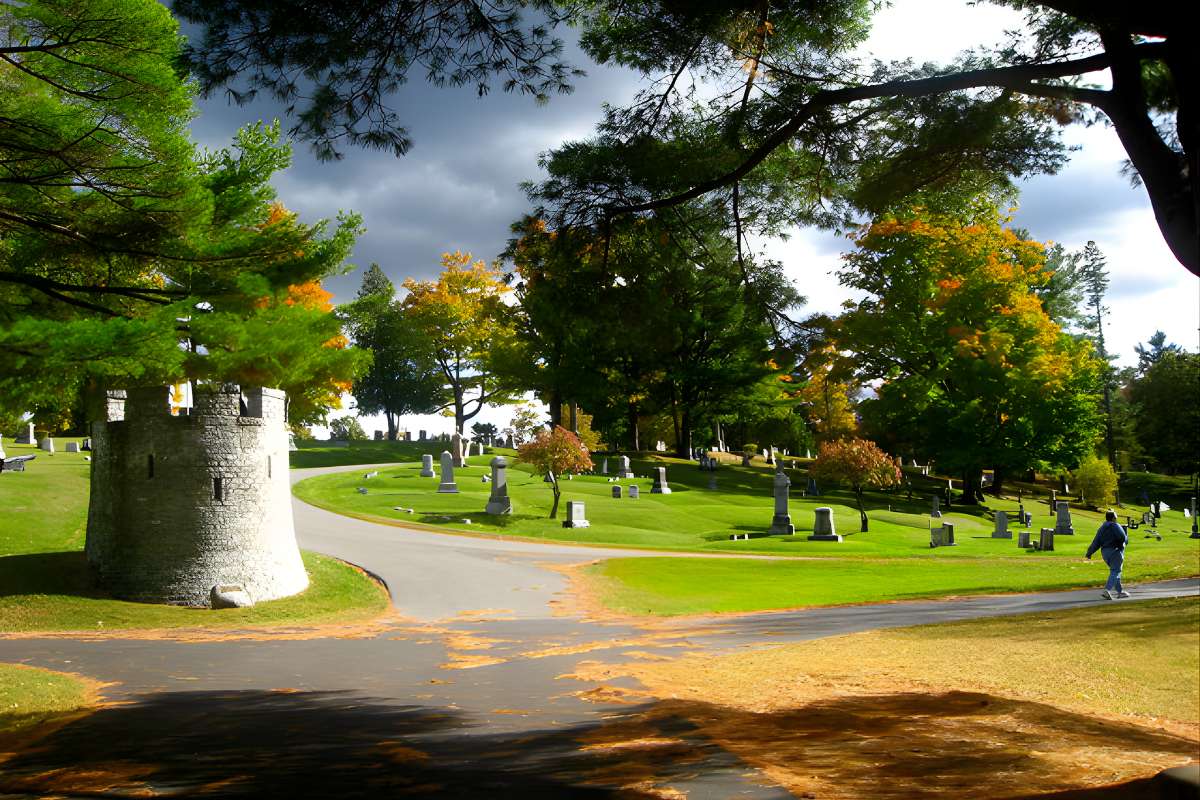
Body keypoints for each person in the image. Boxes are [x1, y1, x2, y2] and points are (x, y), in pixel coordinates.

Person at [1086, 510, 1130, 600]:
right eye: (1116, 518)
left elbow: (1096, 542)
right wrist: (1125, 540)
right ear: (1114, 518)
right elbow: (1122, 537)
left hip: (1105, 553)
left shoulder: (1101, 528)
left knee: (1115, 571)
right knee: (1116, 571)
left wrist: (1089, 552)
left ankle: (1120, 592)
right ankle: (1107, 590)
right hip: (1115, 551)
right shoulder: (1115, 525)